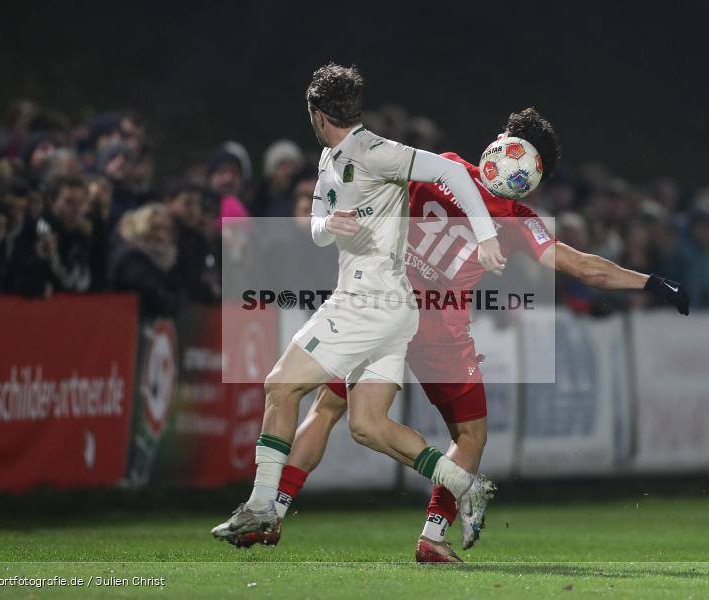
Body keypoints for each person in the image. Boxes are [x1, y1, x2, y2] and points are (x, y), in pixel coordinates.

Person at [232, 108, 690, 561]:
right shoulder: (517, 217)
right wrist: (650, 282)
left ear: (501, 144)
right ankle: (433, 534)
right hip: (439, 331)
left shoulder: (444, 166)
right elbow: (585, 268)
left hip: (382, 306)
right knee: (470, 435)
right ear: (535, 174)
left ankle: (273, 511)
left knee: (329, 407)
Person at [211, 63, 506, 549]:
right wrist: (333, 226)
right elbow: (317, 228)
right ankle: (465, 484)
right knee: (368, 426)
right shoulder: (331, 157)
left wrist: (488, 235)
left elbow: (452, 169)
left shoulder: (375, 152)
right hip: (392, 308)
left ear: (317, 113)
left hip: (367, 300)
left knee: (281, 386)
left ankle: (262, 507)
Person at [109, 203, 180, 317]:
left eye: (166, 229)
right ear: (141, 227)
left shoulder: (169, 260)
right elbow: (154, 299)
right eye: (155, 228)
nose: (161, 235)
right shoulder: (131, 259)